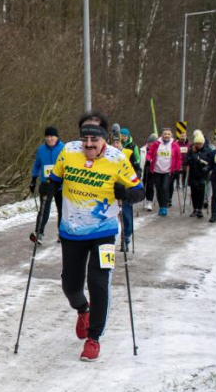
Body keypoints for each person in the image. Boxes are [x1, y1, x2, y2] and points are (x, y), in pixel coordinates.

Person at [48, 111, 145, 362]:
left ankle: (94, 338)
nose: (89, 145)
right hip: (71, 232)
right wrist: (47, 185)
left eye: (95, 139)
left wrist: (125, 191)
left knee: (98, 282)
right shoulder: (68, 152)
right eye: (85, 139)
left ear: (104, 139)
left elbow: (139, 192)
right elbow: (54, 179)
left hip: (104, 233)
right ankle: (83, 310)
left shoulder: (118, 159)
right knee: (70, 285)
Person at [29, 125, 65, 245]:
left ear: (56, 137)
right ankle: (39, 233)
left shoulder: (64, 148)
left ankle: (62, 233)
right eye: (47, 137)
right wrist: (33, 180)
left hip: (60, 184)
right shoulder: (41, 150)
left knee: (62, 210)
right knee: (44, 209)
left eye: (52, 136)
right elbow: (37, 165)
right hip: (46, 185)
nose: (49, 139)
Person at [112, 130, 140, 251]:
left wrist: (135, 178)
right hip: (109, 191)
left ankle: (126, 238)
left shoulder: (128, 153)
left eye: (117, 142)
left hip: (125, 190)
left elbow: (137, 169)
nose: (115, 145)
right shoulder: (105, 155)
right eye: (113, 142)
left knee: (127, 217)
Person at [146, 126, 182, 216]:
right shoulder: (157, 143)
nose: (166, 136)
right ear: (161, 135)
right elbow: (150, 153)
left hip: (167, 171)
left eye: (168, 134)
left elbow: (178, 158)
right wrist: (148, 159)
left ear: (171, 135)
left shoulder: (174, 145)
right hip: (157, 170)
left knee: (164, 188)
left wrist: (177, 169)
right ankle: (161, 206)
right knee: (158, 189)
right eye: (165, 134)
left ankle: (164, 207)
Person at [186, 132, 212, 219]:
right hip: (193, 174)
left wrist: (207, 167)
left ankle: (200, 209)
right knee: (194, 192)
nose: (198, 145)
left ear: (203, 143)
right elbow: (186, 161)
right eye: (197, 143)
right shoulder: (191, 150)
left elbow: (210, 162)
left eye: (200, 143)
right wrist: (190, 160)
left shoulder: (208, 150)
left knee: (201, 192)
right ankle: (195, 209)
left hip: (203, 175)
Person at [170, 129, 191, 208]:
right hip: (178, 161)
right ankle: (178, 183)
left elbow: (189, 150)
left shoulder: (188, 144)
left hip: (185, 161)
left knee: (185, 172)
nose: (183, 139)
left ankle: (183, 184)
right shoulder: (176, 143)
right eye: (181, 138)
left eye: (184, 138)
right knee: (178, 173)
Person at [141, 133, 157, 211]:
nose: (151, 144)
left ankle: (149, 202)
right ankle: (146, 201)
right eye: (150, 142)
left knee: (150, 186)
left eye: (153, 143)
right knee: (145, 185)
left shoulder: (157, 150)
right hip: (144, 169)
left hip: (153, 170)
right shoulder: (142, 149)